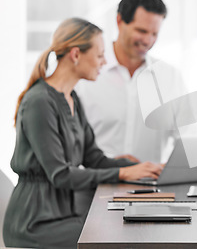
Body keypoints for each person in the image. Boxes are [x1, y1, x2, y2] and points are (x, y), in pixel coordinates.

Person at [3, 18, 163, 249]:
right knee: (118, 234)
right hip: (35, 224)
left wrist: (144, 168)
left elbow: (94, 158)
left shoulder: (72, 98)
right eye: (99, 55)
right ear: (76, 54)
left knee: (124, 227)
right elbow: (61, 175)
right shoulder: (39, 102)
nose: (104, 62)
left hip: (64, 215)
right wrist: (123, 173)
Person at [76, 0, 187, 163]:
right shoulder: (85, 76)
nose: (148, 40)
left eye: (154, 34)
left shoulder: (170, 77)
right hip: (93, 185)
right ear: (119, 21)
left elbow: (188, 141)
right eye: (141, 31)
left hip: (152, 186)